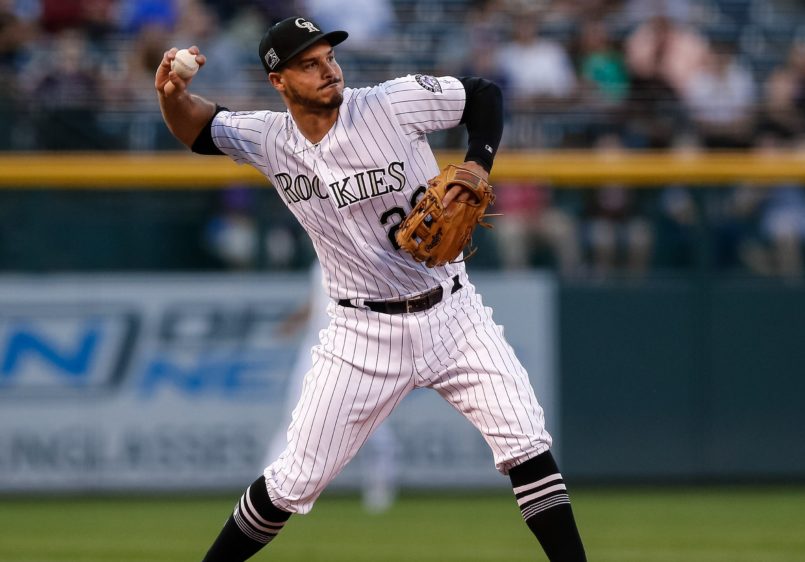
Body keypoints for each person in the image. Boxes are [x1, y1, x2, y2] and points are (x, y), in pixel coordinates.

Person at [155, 15, 586, 562]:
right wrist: (171, 94)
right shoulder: (268, 138)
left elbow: (482, 94)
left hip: (452, 314)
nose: (328, 70)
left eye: (329, 58)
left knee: (525, 443)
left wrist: (478, 163)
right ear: (279, 81)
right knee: (291, 482)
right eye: (309, 65)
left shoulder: (390, 103)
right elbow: (197, 129)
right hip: (360, 332)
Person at [268, 261, 397, 514]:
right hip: (314, 350)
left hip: (354, 352)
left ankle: (380, 489)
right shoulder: (319, 260)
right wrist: (294, 322)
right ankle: (267, 490)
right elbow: (317, 302)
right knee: (292, 421)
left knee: (374, 429)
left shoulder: (366, 257)